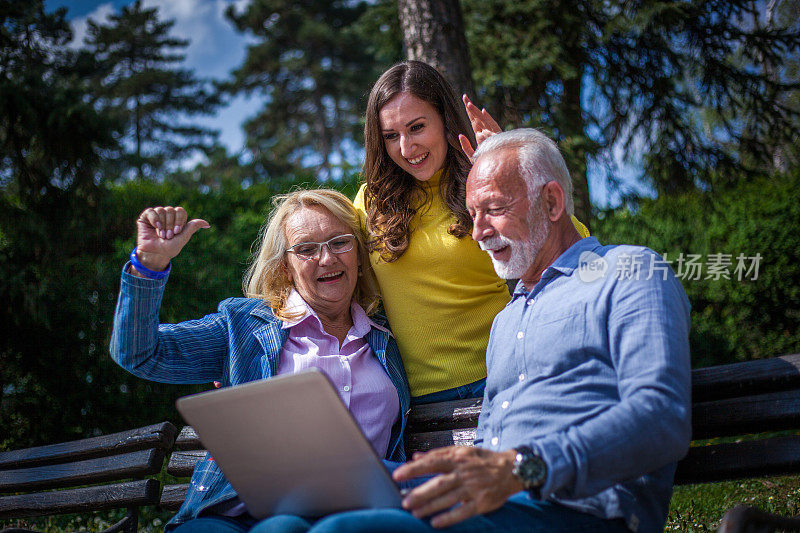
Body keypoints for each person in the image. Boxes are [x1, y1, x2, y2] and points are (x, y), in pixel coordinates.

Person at [294, 129, 691, 533]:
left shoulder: (629, 273)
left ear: (552, 202)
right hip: (496, 508)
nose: (479, 231)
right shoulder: (507, 319)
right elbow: (489, 457)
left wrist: (524, 468)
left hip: (584, 512)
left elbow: (663, 416)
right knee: (293, 519)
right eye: (472, 214)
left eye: (495, 208)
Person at [109, 189, 411, 532]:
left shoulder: (387, 336)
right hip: (231, 514)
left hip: (352, 515)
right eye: (306, 249)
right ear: (286, 267)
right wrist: (149, 266)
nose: (327, 259)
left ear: (358, 252)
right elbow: (139, 354)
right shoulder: (243, 327)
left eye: (339, 242)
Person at [354, 60, 590, 403]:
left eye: (417, 127)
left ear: (445, 120)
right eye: (391, 136)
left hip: (506, 377)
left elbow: (574, 248)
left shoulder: (480, 186)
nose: (406, 148)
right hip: (416, 398)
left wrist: (513, 175)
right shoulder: (369, 202)